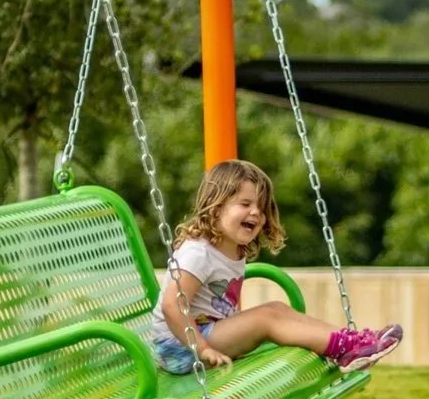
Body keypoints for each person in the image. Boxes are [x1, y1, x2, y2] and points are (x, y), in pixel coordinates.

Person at [150, 159, 403, 376]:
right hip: (178, 347)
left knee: (275, 309)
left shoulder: (231, 248)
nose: (256, 213)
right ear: (216, 206)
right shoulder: (198, 252)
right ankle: (343, 347)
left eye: (261, 207)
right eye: (245, 204)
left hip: (203, 334)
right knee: (266, 318)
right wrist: (203, 348)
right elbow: (172, 305)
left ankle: (349, 343)